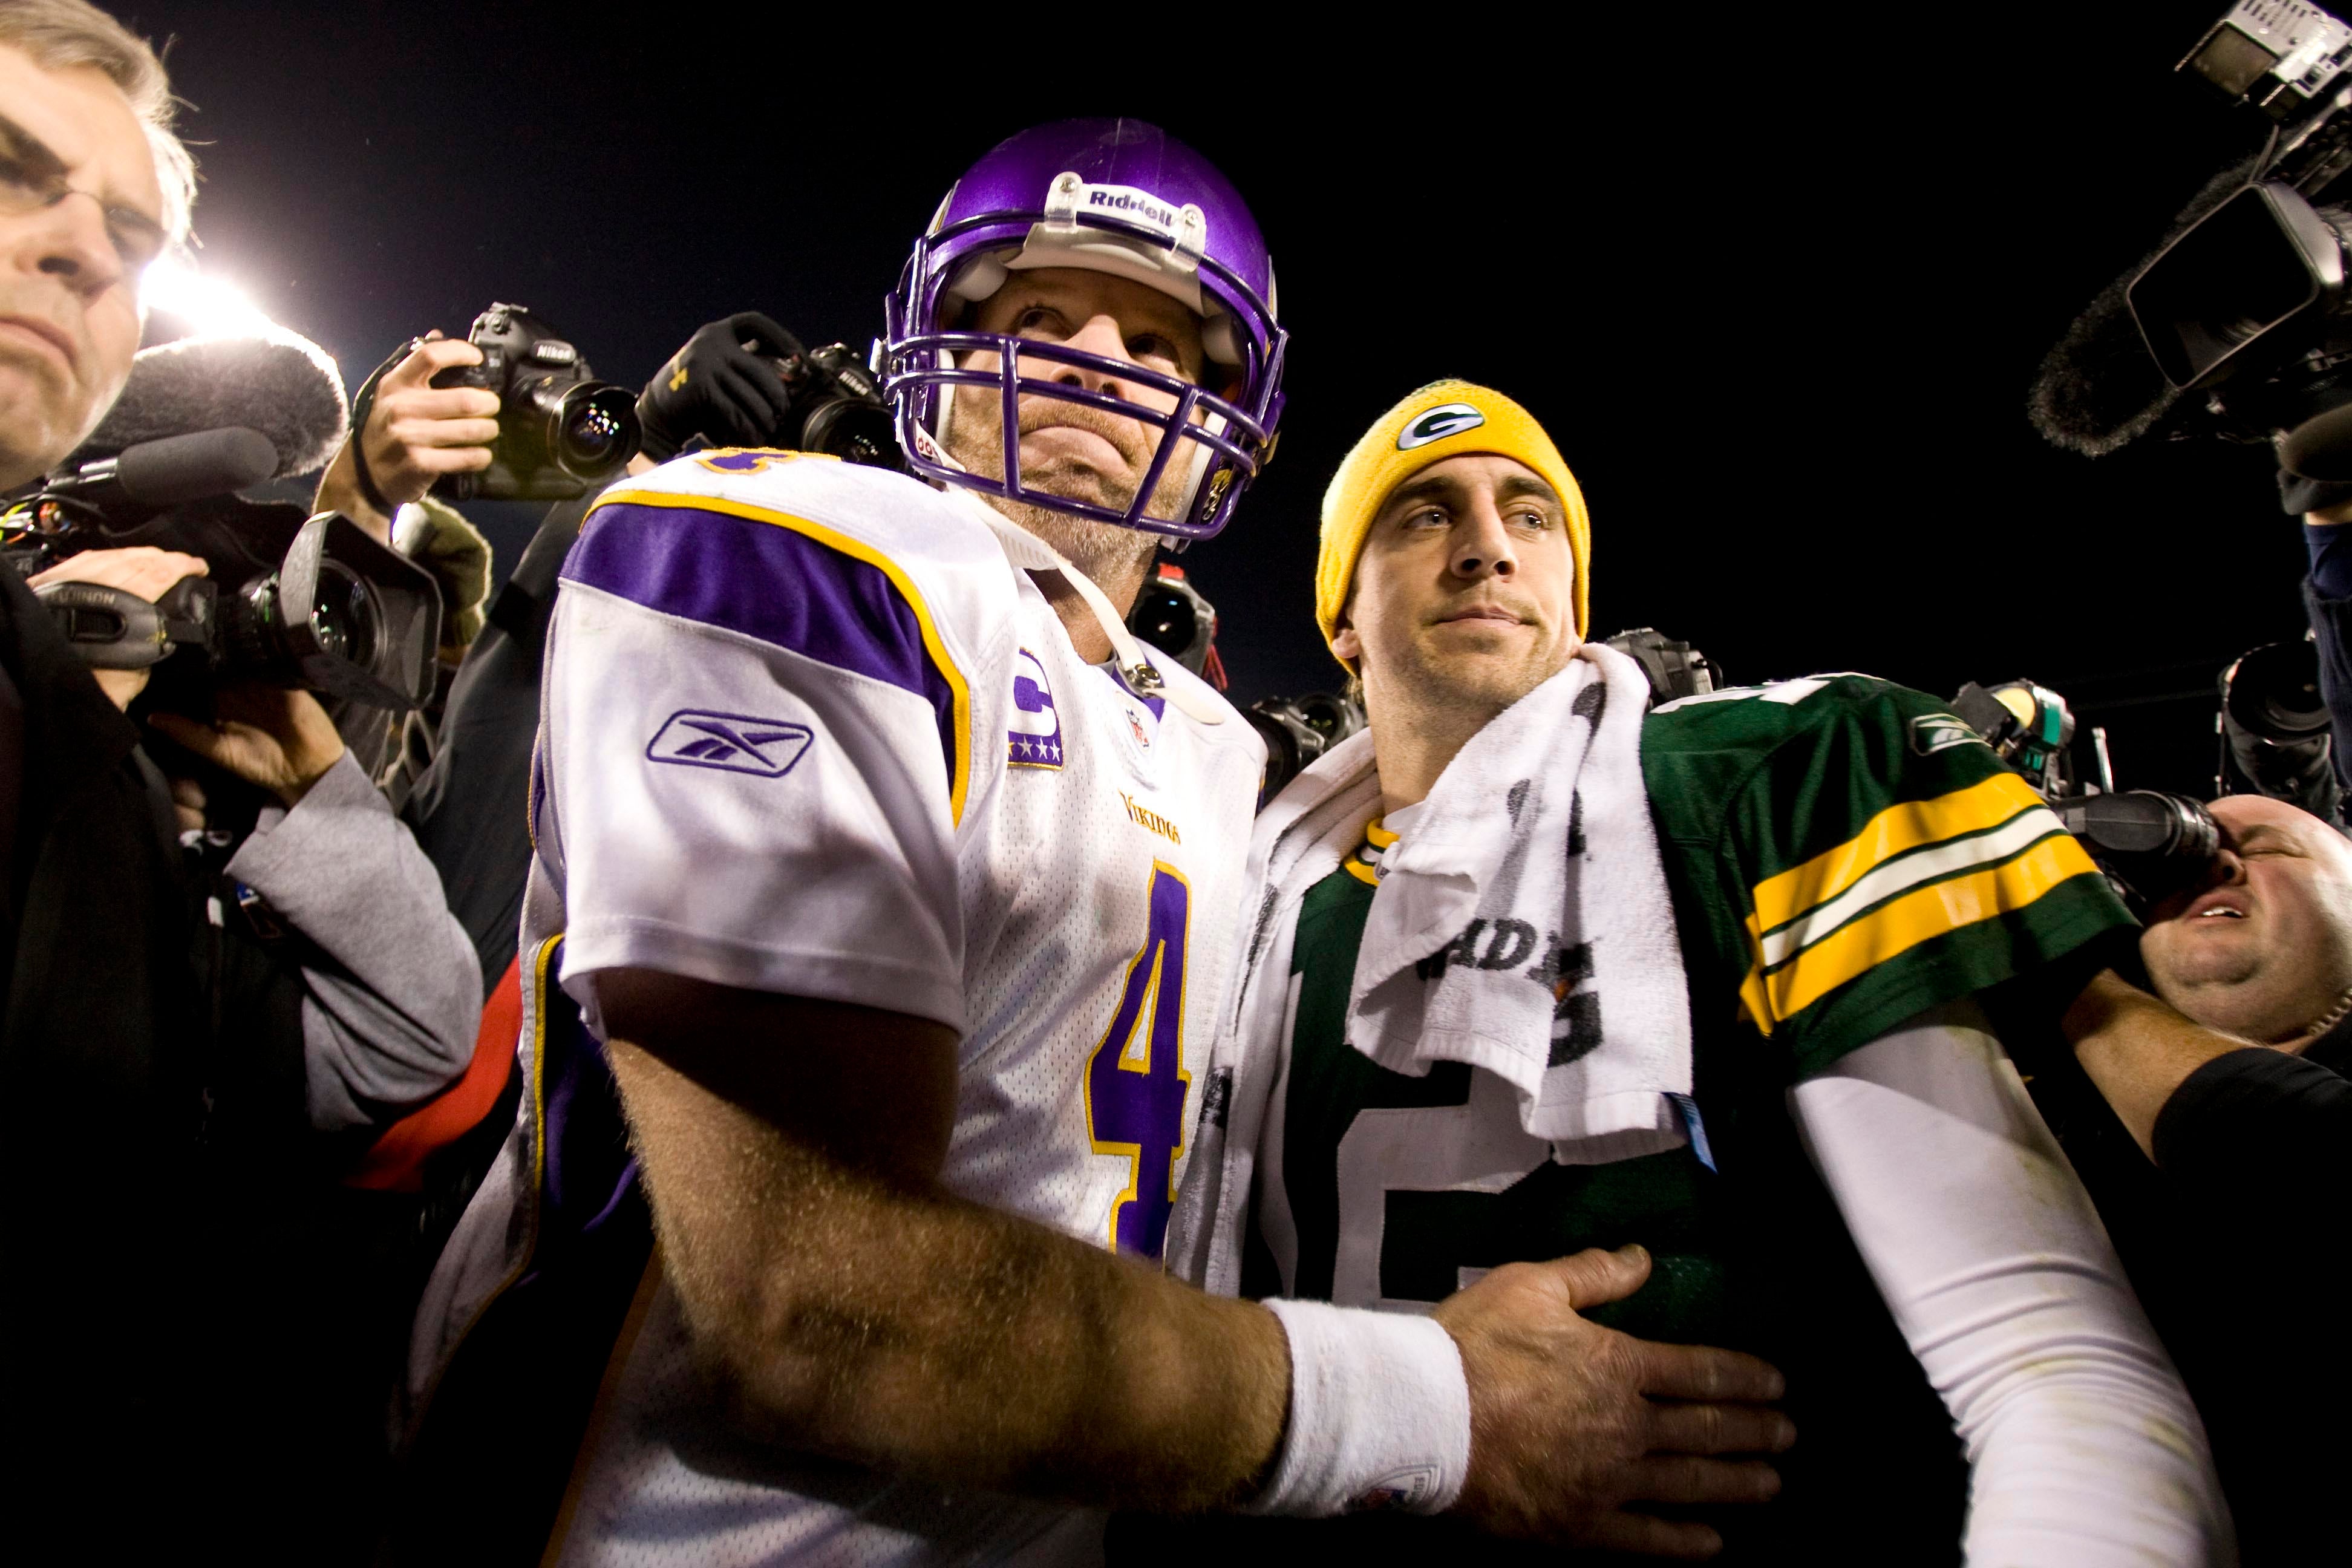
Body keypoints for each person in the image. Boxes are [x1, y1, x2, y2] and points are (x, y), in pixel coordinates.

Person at [396, 122, 1788, 1566]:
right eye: (1037, 316)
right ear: (931, 346)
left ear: (1224, 423)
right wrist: (1423, 1405)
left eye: (1159, 342)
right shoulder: (790, 548)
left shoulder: (1213, 744)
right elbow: (813, 1297)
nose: (1091, 358)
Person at [1165, 380, 2233, 1564]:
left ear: (1575, 594)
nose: (1485, 549)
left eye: (1530, 516)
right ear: (1342, 622)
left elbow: (2044, 1360)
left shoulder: (1751, 783)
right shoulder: (1235, 877)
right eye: (1420, 516)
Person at [2045, 792, 2352, 1563]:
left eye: (2270, 850)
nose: (2216, 858)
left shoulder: (2070, 1002)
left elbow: (2312, 1169)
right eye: (2189, 844)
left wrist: (2057, 968)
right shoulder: (2035, 1118)